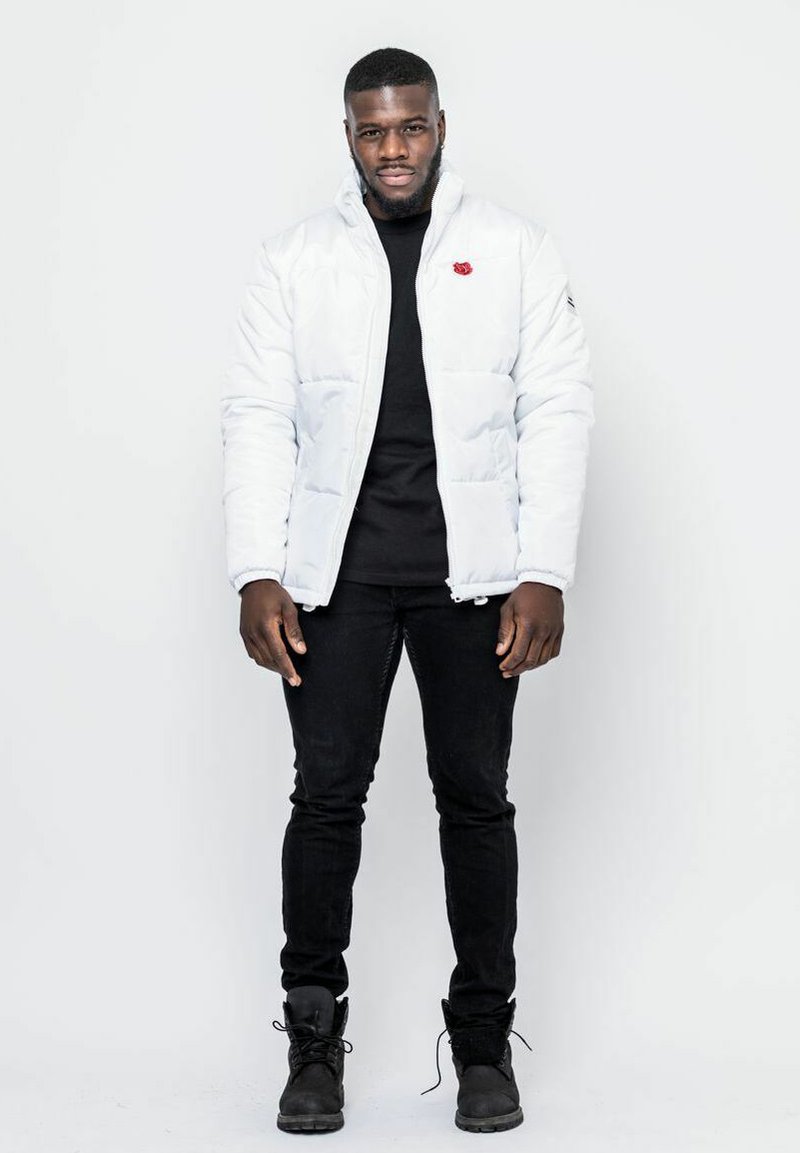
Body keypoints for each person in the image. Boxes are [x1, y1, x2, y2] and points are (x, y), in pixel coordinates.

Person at [220, 46, 595, 1135]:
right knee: (325, 801)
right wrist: (255, 568)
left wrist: (543, 568)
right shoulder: (294, 260)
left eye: (411, 126)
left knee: (474, 802)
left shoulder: (512, 249)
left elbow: (556, 406)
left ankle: (482, 1046)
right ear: (349, 136)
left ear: (439, 126)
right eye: (373, 130)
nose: (393, 148)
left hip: (472, 582)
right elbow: (257, 414)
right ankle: (312, 1045)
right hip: (332, 582)